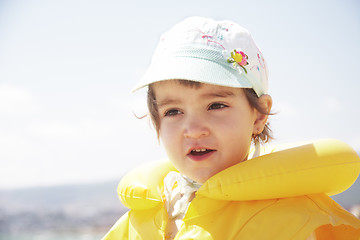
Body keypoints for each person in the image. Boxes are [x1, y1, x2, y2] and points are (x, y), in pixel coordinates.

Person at [103, 16, 360, 239]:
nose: (193, 129)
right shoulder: (141, 219)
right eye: (173, 111)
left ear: (259, 115)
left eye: (216, 105)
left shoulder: (295, 220)